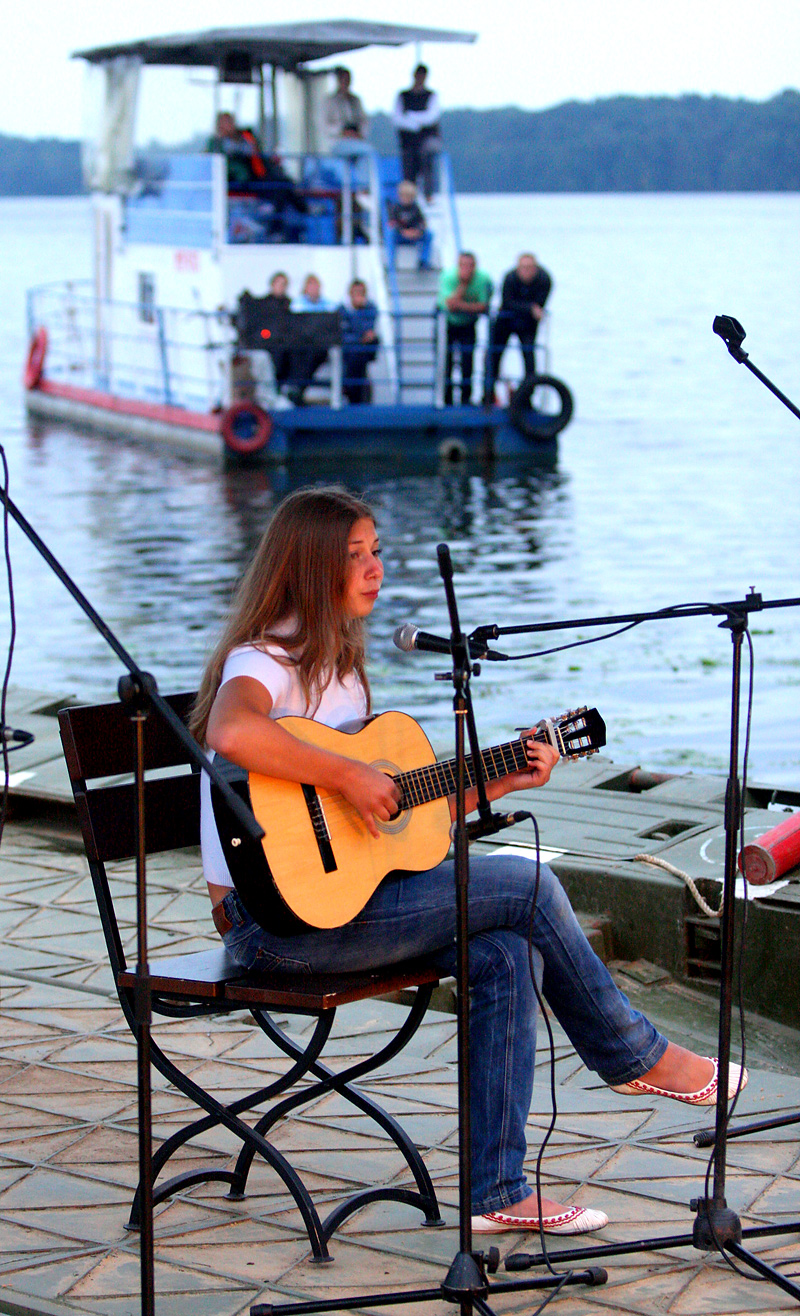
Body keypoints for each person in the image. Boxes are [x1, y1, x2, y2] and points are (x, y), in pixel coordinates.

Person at [192, 485, 747, 1237]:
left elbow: (383, 830)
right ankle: (634, 1055)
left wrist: (500, 778)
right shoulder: (266, 661)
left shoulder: (344, 672)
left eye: (377, 550)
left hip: (337, 908)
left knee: (504, 951)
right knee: (527, 882)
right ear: (308, 566)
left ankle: (497, 1191)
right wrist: (348, 773)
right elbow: (231, 731)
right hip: (274, 932)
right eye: (354, 555)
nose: (374, 567)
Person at [485, 253, 553, 403]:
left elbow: (540, 305)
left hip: (527, 324)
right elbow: (508, 302)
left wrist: (530, 309)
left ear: (536, 269)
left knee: (529, 356)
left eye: (530, 268)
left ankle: (527, 396)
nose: (527, 272)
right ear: (518, 268)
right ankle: (488, 393)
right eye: (523, 268)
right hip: (506, 320)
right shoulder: (510, 278)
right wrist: (529, 308)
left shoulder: (544, 280)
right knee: (493, 355)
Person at [438, 252, 493, 406]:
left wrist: (460, 306)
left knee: (468, 361)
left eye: (470, 266)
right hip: (447, 323)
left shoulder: (483, 279)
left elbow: (483, 306)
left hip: (468, 324)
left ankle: (466, 399)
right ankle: (446, 400)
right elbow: (450, 305)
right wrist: (463, 285)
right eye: (463, 265)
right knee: (446, 361)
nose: (467, 269)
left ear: (475, 267)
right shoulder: (448, 277)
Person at [392, 65, 441, 202]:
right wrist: (416, 123)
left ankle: (428, 193)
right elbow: (397, 119)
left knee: (426, 154)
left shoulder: (431, 96)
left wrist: (411, 117)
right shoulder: (403, 96)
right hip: (408, 141)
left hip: (427, 139)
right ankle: (408, 196)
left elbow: (431, 117)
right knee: (408, 159)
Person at [285, 275, 336, 404]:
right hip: (301, 345)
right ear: (306, 288)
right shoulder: (297, 304)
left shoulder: (329, 304)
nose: (314, 288)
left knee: (313, 355)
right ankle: (296, 389)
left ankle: (298, 389)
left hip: (321, 346)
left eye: (316, 285)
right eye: (311, 285)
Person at [339, 280, 379, 404]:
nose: (358, 295)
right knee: (355, 352)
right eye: (356, 292)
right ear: (350, 294)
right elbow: (344, 335)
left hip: (362, 352)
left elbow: (368, 332)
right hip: (350, 351)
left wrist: (357, 312)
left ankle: (351, 391)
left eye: (361, 292)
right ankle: (353, 392)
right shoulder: (342, 309)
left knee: (363, 349)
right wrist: (356, 313)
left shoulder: (370, 308)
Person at [207, 111, 267, 186]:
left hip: (245, 174)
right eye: (224, 123)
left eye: (229, 122)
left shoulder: (243, 136)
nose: (227, 126)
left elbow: (251, 150)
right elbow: (210, 157)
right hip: (223, 175)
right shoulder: (215, 142)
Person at [386, 180, 433, 270]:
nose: (407, 199)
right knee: (390, 234)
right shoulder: (395, 208)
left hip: (414, 235)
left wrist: (417, 231)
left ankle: (423, 261)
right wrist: (403, 231)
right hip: (400, 235)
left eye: (409, 197)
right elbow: (392, 223)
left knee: (429, 235)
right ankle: (391, 262)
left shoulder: (415, 208)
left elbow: (422, 223)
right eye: (405, 196)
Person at [324, 67, 368, 146]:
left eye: (348, 79)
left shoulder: (355, 100)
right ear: (338, 80)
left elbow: (364, 121)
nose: (346, 82)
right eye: (343, 79)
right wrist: (342, 131)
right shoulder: (330, 101)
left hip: (356, 139)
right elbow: (325, 124)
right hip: (338, 141)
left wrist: (358, 133)